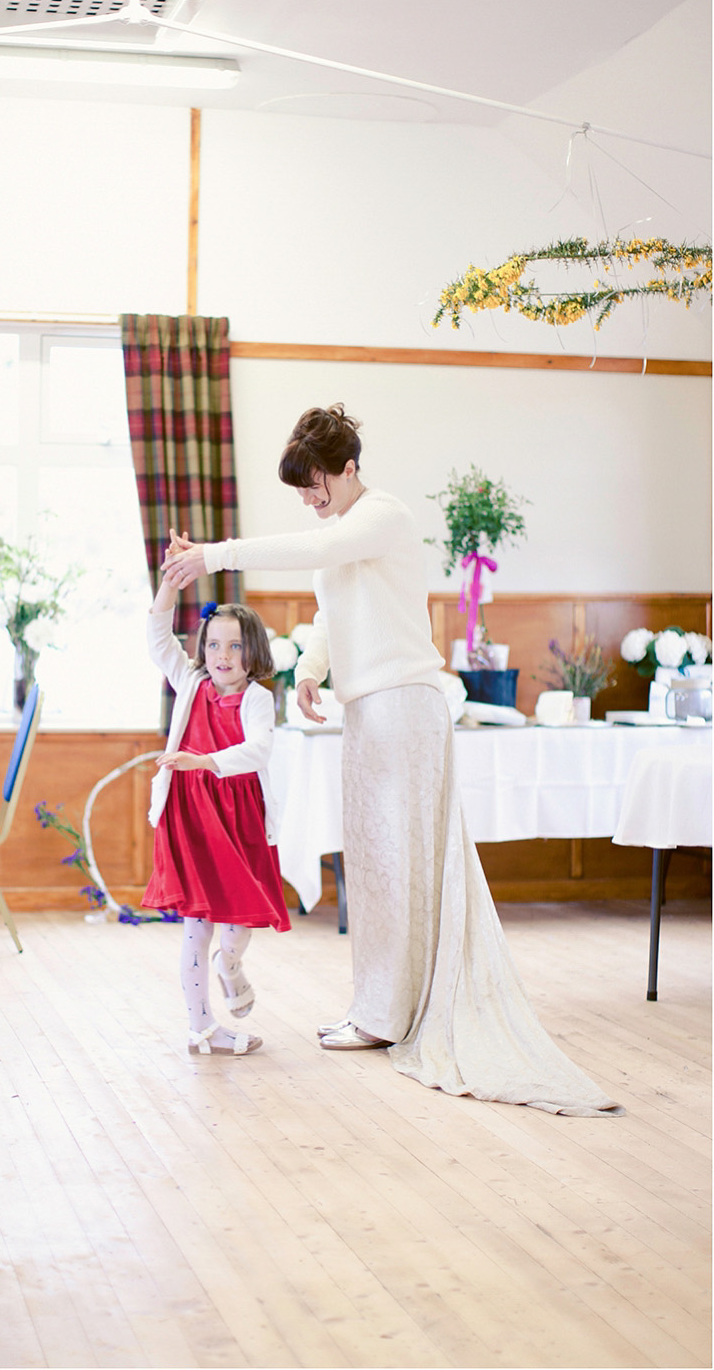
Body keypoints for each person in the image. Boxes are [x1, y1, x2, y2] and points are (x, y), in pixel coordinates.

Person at [163, 404, 623, 1115]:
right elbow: (332, 609)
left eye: (316, 483)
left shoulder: (383, 516)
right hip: (369, 710)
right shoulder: (343, 532)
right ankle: (378, 1007)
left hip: (405, 706)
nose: (311, 499)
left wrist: (214, 556)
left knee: (400, 864)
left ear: (347, 468)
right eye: (303, 489)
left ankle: (389, 1012)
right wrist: (313, 668)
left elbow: (320, 556)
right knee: (375, 868)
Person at [144, 563, 291, 1057]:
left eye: (234, 646)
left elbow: (258, 751)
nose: (222, 656)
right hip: (192, 819)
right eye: (212, 645)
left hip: (239, 820)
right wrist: (169, 584)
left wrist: (204, 759)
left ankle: (230, 967)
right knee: (197, 923)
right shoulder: (189, 682)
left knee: (236, 928)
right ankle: (201, 1026)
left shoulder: (256, 699)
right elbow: (158, 637)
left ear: (253, 651)